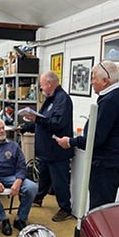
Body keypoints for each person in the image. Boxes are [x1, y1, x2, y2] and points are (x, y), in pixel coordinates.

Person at [56, 60, 119, 210]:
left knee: (99, 209)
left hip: (106, 163)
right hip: (115, 159)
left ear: (105, 81)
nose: (91, 83)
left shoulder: (110, 101)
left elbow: (95, 138)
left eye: (93, 79)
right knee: (104, 206)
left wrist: (71, 142)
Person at [20, 71, 74, 221]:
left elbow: (57, 124)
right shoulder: (49, 99)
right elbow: (41, 122)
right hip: (45, 150)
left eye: (42, 85)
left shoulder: (62, 99)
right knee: (43, 177)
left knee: (59, 182)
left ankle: (65, 209)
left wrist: (36, 119)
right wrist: (24, 127)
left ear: (49, 84)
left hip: (56, 151)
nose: (41, 88)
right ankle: (38, 198)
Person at [0, 117, 37, 236]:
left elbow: (21, 166)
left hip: (11, 177)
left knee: (32, 187)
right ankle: (3, 219)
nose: (2, 131)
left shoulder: (14, 145)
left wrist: (18, 180)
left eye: (2, 128)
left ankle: (20, 218)